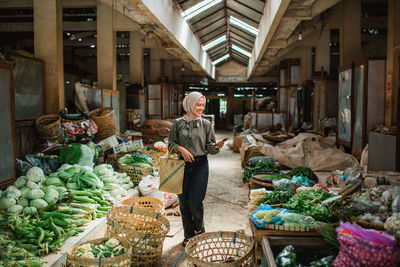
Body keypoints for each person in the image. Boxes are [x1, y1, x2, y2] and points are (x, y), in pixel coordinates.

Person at [168, 91, 225, 247]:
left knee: (195, 201)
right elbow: (170, 145)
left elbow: (210, 148)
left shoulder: (206, 124)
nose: (200, 108)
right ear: (189, 104)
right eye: (197, 105)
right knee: (184, 203)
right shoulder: (178, 123)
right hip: (181, 166)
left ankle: (199, 230)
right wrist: (181, 149)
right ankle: (188, 235)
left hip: (200, 166)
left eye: (202, 105)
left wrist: (216, 146)